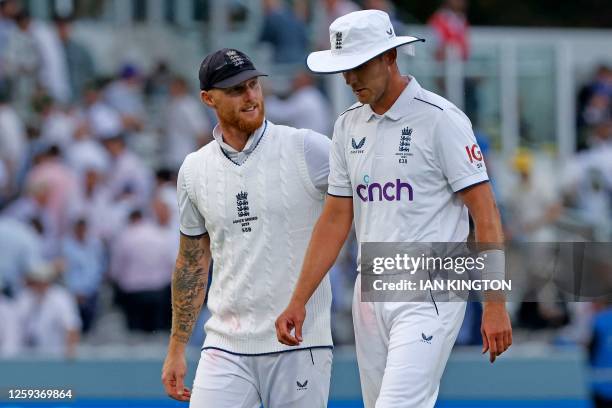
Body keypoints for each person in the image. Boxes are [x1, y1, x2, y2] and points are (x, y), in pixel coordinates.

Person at [275, 10, 512, 408]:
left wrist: (495, 304)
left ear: (389, 57)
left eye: (358, 66)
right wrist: (298, 300)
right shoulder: (347, 125)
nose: (350, 79)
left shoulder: (442, 120)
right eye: (343, 69)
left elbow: (485, 214)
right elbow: (335, 219)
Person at [161, 48, 333, 407]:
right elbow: (191, 262)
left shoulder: (307, 148)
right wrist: (177, 348)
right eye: (237, 89)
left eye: (254, 85)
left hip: (300, 342)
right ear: (208, 99)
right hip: (224, 344)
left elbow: (371, 199)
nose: (251, 96)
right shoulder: (193, 170)